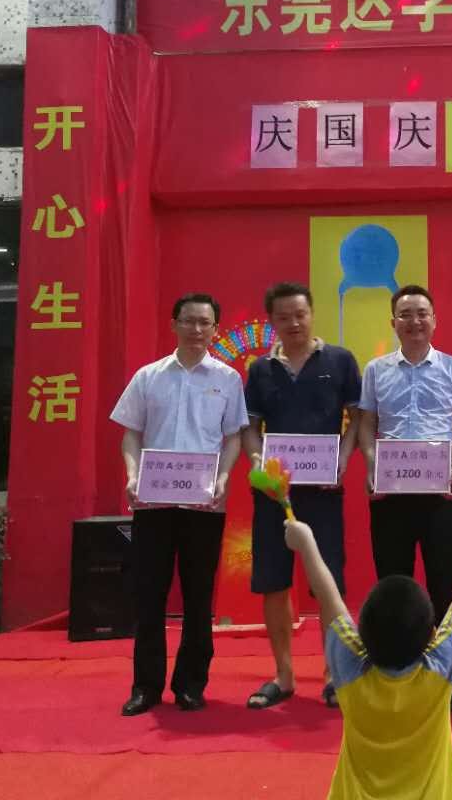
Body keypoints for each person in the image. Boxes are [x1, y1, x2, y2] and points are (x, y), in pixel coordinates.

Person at [284, 514, 452, 800]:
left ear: (361, 638)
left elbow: (329, 599)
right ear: (432, 635)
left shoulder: (349, 670)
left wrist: (306, 544)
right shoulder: (440, 669)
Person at [111, 292, 248, 716]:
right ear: (173, 324)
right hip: (153, 503)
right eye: (188, 321)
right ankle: (146, 687)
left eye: (205, 323)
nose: (196, 329)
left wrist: (223, 477)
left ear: (215, 330)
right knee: (149, 595)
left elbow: (233, 437)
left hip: (203, 507)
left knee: (198, 597)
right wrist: (132, 475)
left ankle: (191, 684)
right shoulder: (149, 377)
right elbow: (131, 433)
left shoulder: (227, 378)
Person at [241, 281, 361, 710]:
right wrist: (258, 461)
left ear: (312, 314)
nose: (293, 323)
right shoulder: (260, 369)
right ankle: (284, 674)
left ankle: (333, 675)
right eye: (283, 317)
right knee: (274, 582)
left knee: (327, 583)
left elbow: (357, 418)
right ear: (272, 321)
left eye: (300, 314)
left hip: (324, 491)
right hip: (274, 494)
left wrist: (343, 459)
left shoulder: (340, 360)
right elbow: (250, 427)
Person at [357, 284, 452, 710]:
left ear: (434, 320)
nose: (414, 321)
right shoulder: (376, 370)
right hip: (391, 495)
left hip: (441, 494)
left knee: (445, 585)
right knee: (394, 586)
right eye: (405, 314)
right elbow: (366, 425)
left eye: (422, 313)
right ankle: (396, 673)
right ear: (393, 323)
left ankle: (445, 678)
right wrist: (372, 465)